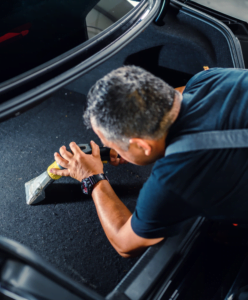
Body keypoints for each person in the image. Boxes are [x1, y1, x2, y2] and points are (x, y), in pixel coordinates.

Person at [49, 66, 248, 258]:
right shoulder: (213, 78)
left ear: (143, 146)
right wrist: (127, 145)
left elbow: (124, 244)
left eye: (113, 145)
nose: (115, 150)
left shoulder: (173, 178)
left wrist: (91, 177)